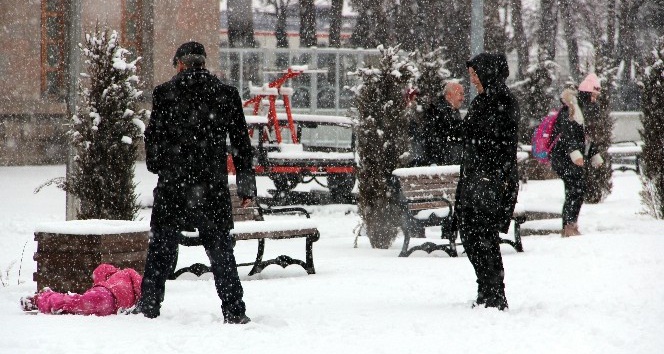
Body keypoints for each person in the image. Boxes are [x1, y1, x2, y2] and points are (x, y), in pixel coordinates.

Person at [133, 42, 256, 324]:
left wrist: (164, 165)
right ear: (203, 63)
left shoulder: (165, 94)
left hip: (173, 187)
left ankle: (149, 306)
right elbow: (241, 144)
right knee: (222, 253)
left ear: (180, 64)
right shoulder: (226, 94)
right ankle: (234, 310)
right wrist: (246, 186)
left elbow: (152, 142)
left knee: (161, 250)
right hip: (212, 188)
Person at [454, 53, 520, 311]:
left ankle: (495, 294)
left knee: (483, 237)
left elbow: (494, 142)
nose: (472, 80)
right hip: (476, 180)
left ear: (488, 72)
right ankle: (486, 289)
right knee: (472, 236)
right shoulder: (484, 101)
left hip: (490, 182)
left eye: (475, 74)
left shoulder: (502, 100)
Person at [550, 75, 604, 237]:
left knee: (576, 190)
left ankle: (569, 226)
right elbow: (568, 135)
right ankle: (569, 227)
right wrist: (575, 154)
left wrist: (594, 154)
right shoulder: (571, 109)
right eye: (593, 94)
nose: (595, 99)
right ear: (587, 93)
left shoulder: (580, 108)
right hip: (564, 158)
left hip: (568, 158)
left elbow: (584, 138)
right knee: (575, 189)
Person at [21, 264, 142, 316]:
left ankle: (43, 299)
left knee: (74, 303)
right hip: (110, 305)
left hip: (106, 298)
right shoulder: (125, 282)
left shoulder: (122, 274)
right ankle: (46, 300)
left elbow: (100, 276)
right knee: (76, 305)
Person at [419, 82, 465, 165]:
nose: (463, 98)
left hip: (448, 163)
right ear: (449, 95)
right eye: (460, 94)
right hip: (440, 165)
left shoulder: (452, 111)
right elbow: (431, 140)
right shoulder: (437, 112)